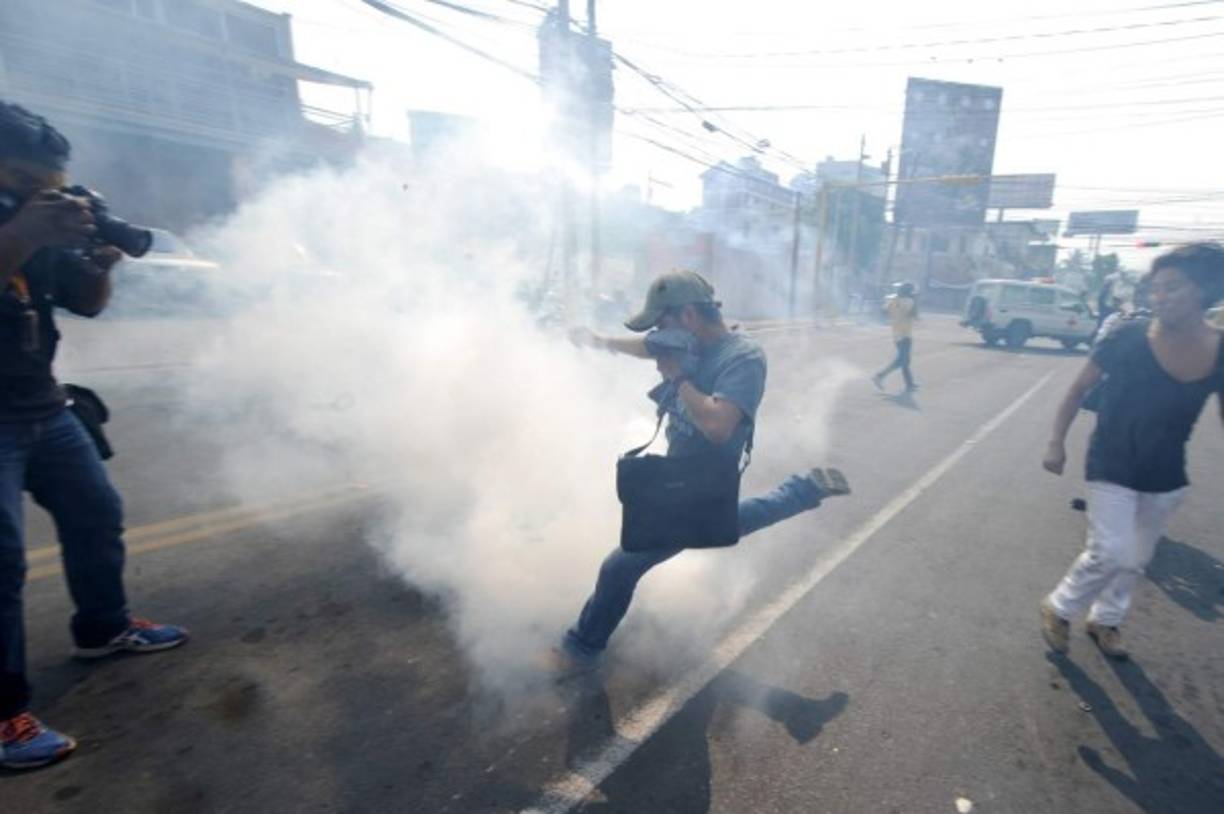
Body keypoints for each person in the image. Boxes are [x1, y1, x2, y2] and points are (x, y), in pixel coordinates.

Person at [0, 102, 187, 770]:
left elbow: (85, 304)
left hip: (42, 404)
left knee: (97, 513)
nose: (42, 192)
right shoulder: (21, 223)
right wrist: (22, 233)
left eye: (50, 181)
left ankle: (103, 628)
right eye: (26, 179)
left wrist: (100, 262)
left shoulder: (36, 221)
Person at [556, 270, 850, 675]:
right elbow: (648, 347)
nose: (658, 333)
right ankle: (802, 490)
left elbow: (717, 426)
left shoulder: (743, 359)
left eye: (662, 322)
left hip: (704, 481)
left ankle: (581, 648)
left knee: (620, 565)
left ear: (689, 316)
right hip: (678, 473)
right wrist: (598, 341)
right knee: (721, 526)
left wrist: (678, 378)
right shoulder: (687, 340)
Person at [1040, 242, 1224, 659]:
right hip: (1112, 460)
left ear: (1205, 290)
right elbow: (1078, 388)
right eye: (1156, 288)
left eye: (1173, 287)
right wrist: (1056, 442)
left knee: (1136, 559)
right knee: (1112, 552)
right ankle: (1059, 607)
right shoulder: (1127, 336)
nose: (1160, 297)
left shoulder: (1220, 349)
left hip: (1166, 470)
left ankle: (1106, 620)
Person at [872, 281, 918, 393]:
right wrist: (916, 301)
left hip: (896, 334)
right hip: (905, 334)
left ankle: (909, 383)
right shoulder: (909, 301)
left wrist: (895, 310)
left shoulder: (893, 300)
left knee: (904, 360)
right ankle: (879, 376)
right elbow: (914, 315)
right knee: (902, 360)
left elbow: (883, 311)